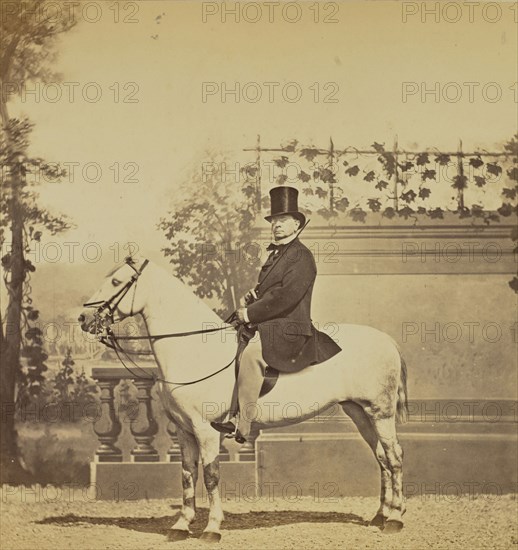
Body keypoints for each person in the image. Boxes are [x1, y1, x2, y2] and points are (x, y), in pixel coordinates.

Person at [211, 186, 342, 442]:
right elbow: (273, 292)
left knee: (250, 355)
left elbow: (286, 297)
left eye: (283, 221)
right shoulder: (278, 255)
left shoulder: (301, 256)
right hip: (272, 324)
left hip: (291, 328)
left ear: (297, 225)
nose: (277, 226)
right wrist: (255, 298)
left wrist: (249, 312)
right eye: (274, 221)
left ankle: (243, 424)